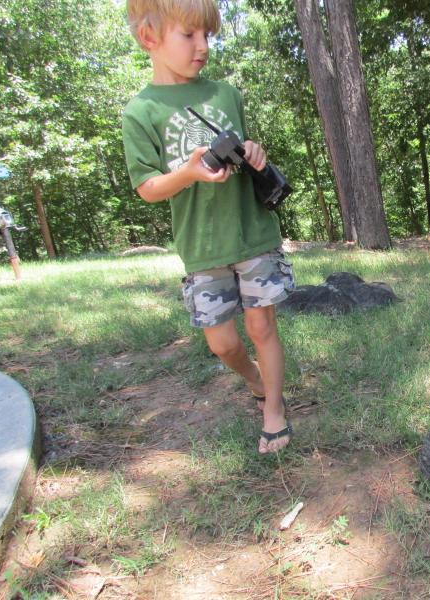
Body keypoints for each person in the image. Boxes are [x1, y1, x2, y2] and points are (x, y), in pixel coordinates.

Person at [121, 0, 294, 453]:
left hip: (251, 232)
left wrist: (255, 153)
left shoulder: (225, 95)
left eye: (208, 37)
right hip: (201, 246)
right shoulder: (141, 111)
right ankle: (252, 377)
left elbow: (244, 152)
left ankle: (274, 409)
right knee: (223, 344)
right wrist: (189, 172)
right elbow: (147, 186)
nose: (203, 47)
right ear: (149, 38)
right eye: (189, 36)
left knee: (263, 329)